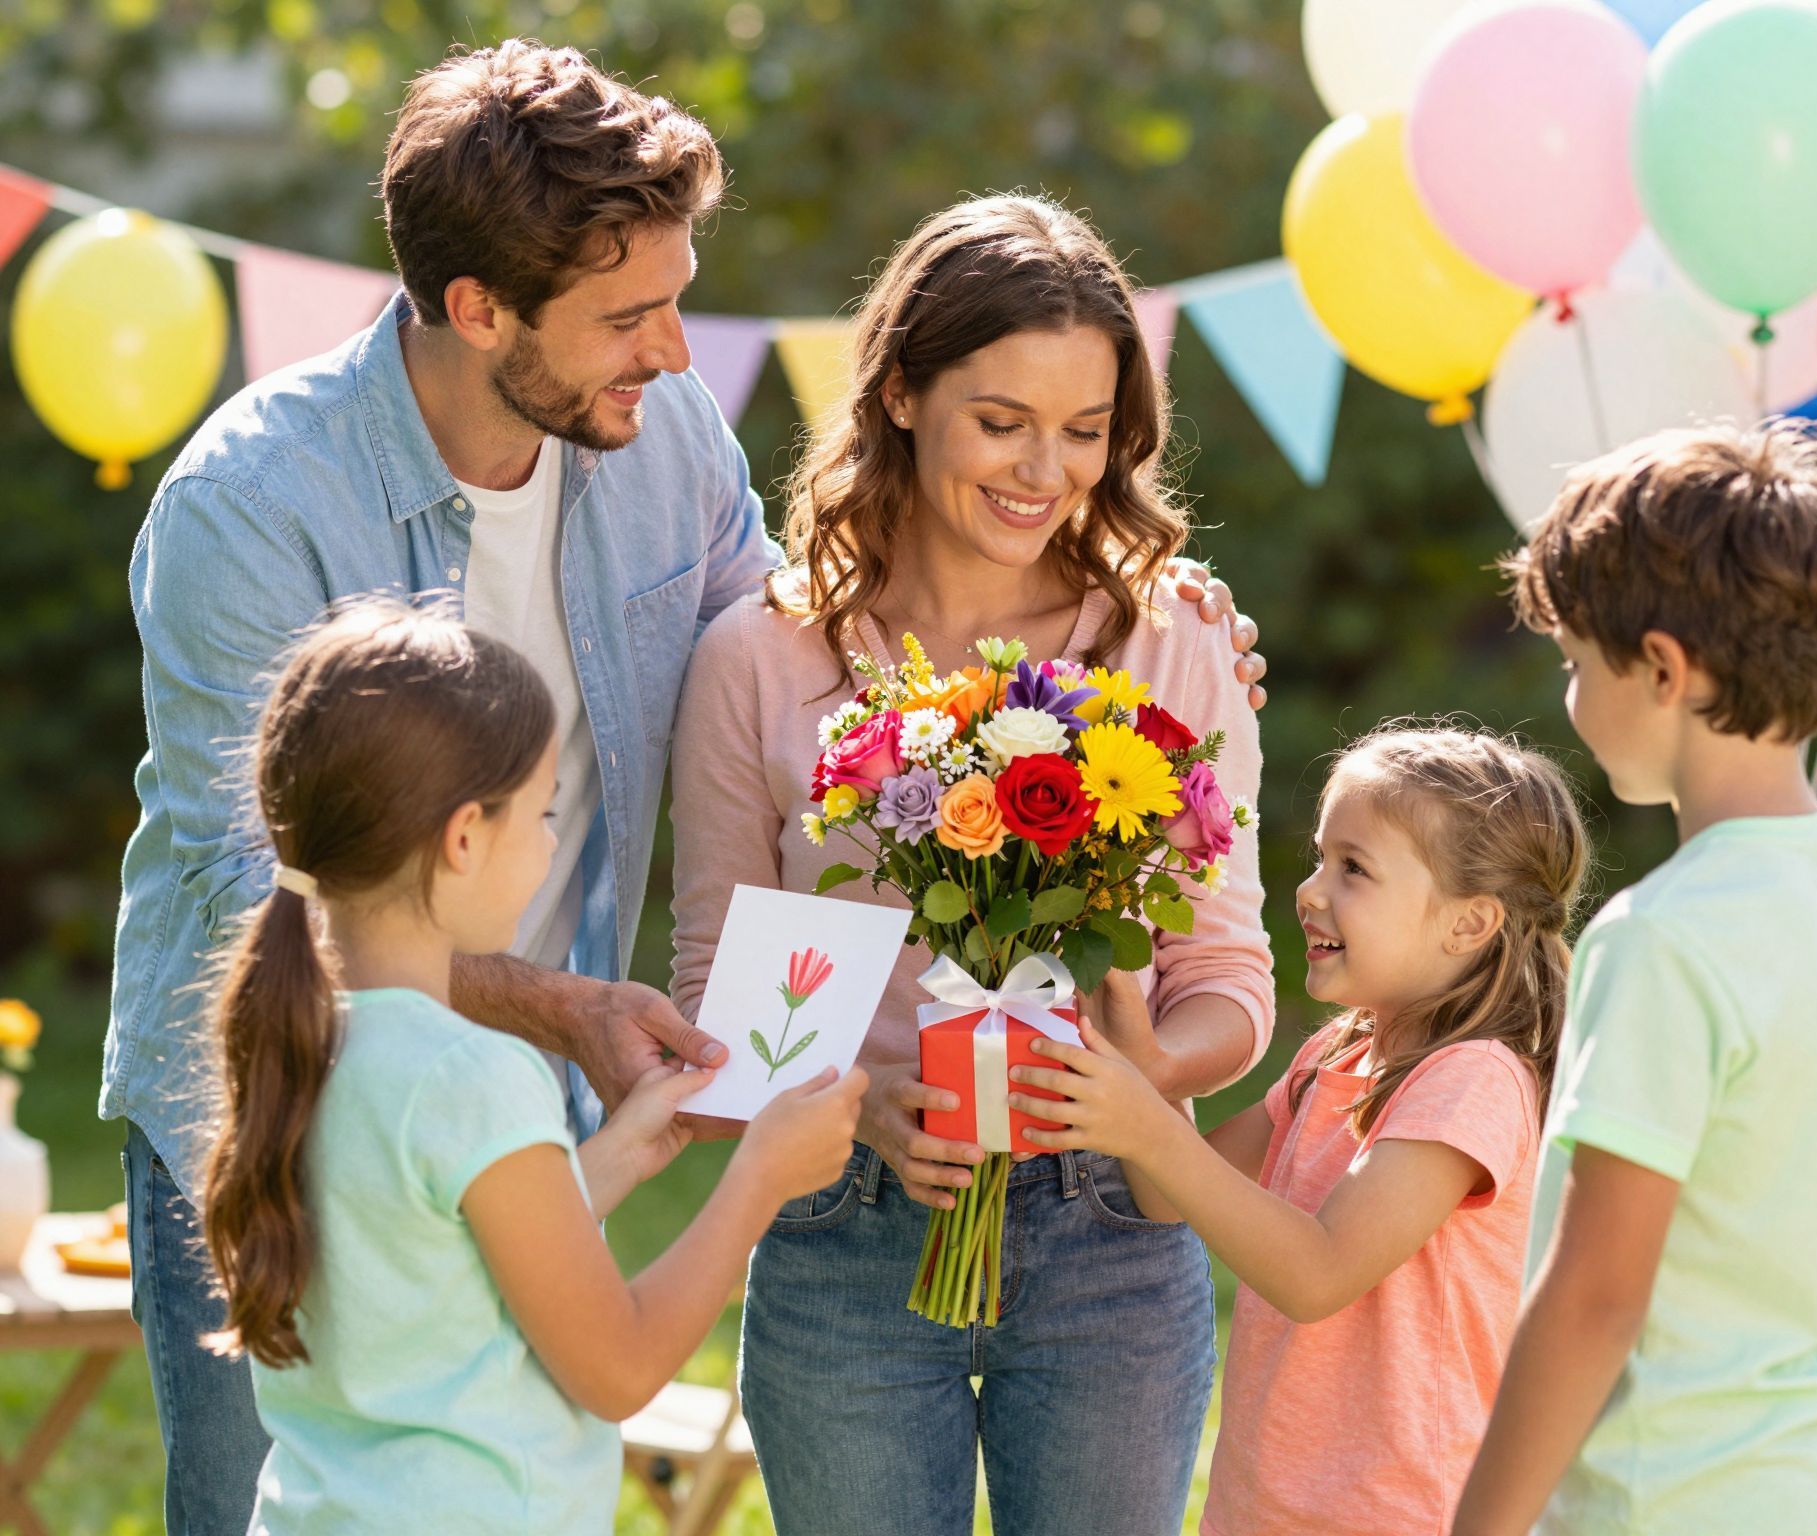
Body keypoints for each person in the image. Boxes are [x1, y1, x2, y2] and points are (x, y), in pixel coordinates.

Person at [99, 38, 1269, 1532]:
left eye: (675, 296)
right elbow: (258, 893)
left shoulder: (660, 442)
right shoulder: (253, 509)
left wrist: (1143, 626)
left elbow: (811, 660)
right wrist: (566, 1005)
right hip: (291, 1105)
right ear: (478, 309)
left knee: (505, 1488)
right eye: (631, 314)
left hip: (530, 1107)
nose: (673, 349)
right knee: (286, 1496)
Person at [668, 193, 1275, 1535]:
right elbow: (727, 1008)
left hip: (1114, 1230)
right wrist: (869, 1103)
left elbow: (1227, 971)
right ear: (896, 392)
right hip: (845, 1237)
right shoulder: (762, 662)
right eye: (1001, 422)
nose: (1041, 471)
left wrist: (1141, 1083)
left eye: (1084, 432)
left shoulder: (1164, 641)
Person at [199, 602, 863, 1533]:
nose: (553, 844)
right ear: (465, 837)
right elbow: (619, 1368)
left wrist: (617, 1155)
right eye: (542, 813)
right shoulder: (471, 1074)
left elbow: (437, 1263)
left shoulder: (305, 1041)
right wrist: (761, 1178)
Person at [1453, 423, 1817, 1535]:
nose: (1566, 696)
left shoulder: (1657, 939)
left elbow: (1596, 1298)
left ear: (1659, 668)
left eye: (1573, 664)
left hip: (1670, 1503)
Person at [1016, 723, 1589, 1535]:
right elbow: (1167, 1196)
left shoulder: (1473, 1080)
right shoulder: (1336, 1054)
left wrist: (1149, 1126)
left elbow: (1318, 1273)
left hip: (1400, 1514)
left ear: (1470, 924)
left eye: (1353, 868)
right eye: (1322, 857)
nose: (1311, 890)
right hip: (1269, 1507)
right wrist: (1142, 1055)